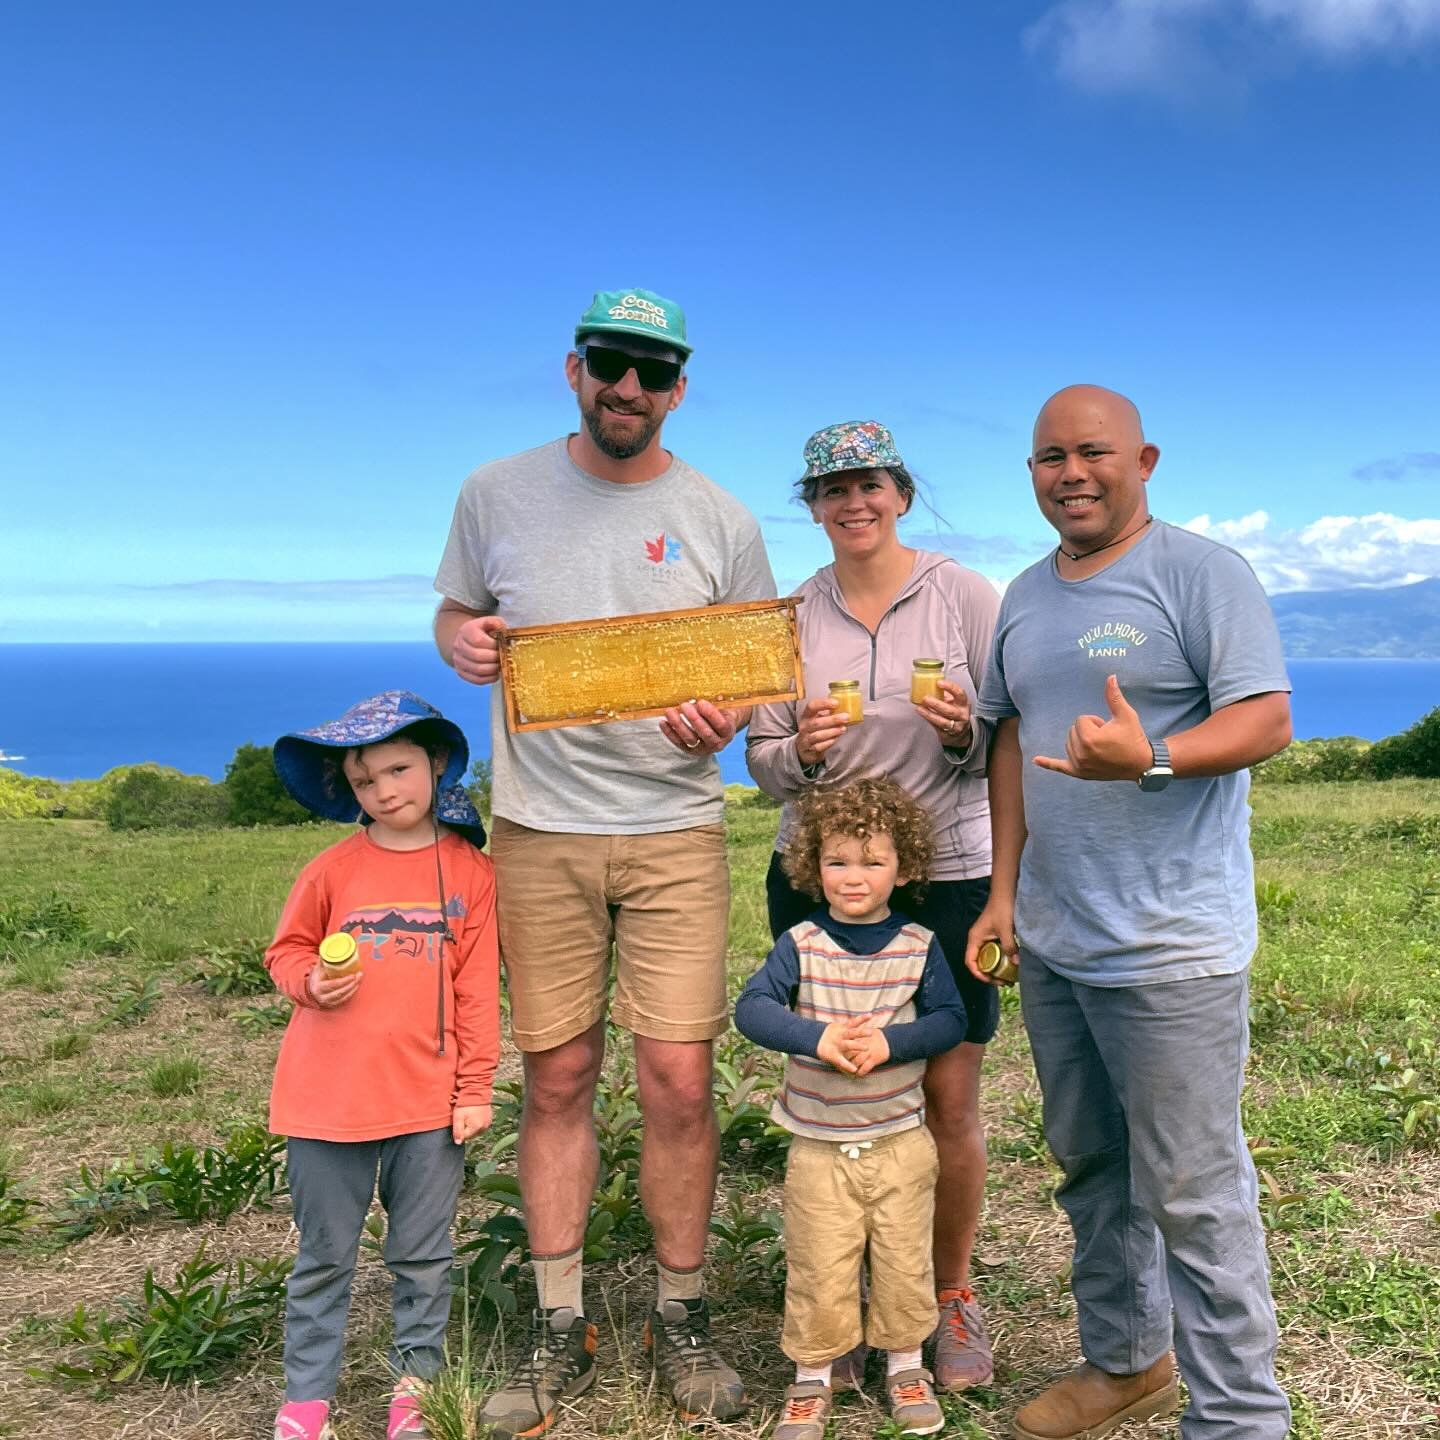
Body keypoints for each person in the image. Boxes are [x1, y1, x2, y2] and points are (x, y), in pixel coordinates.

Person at [432, 288, 775, 1434]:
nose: (629, 386)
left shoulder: (720, 517)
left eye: (653, 370)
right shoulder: (495, 492)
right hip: (539, 827)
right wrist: (465, 641)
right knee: (558, 1075)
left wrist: (720, 717)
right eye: (610, 363)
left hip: (676, 828)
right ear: (574, 368)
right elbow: (456, 616)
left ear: (679, 388)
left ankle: (680, 1316)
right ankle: (557, 1316)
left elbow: (747, 662)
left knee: (679, 1079)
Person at [967, 385, 1293, 1440]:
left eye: (1093, 453)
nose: (1073, 473)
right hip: (1058, 940)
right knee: (1093, 1168)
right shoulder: (1020, 595)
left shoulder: (1201, 573)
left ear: (1143, 459)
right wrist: (1004, 895)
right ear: (1030, 475)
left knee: (1194, 1191)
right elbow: (1009, 743)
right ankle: (1127, 1362)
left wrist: (1151, 753)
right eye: (1051, 457)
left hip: (1172, 948)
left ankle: (1241, 1418)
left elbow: (1268, 717)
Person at [746, 419, 1001, 1390]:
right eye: (831, 490)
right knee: (845, 1088)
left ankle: (947, 1298)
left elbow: (1004, 739)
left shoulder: (965, 594)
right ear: (810, 507)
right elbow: (764, 765)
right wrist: (802, 749)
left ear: (901, 492)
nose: (853, 503)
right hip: (821, 876)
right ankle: (845, 1303)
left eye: (870, 485)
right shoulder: (787, 616)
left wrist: (964, 731)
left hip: (949, 872)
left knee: (945, 1094)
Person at [264, 690, 499, 1440]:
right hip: (324, 1102)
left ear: (435, 764)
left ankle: (415, 1392)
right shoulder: (332, 869)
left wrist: (475, 1088)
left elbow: (475, 989)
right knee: (324, 1258)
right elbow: (286, 951)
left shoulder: (470, 872)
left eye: (398, 769)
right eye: (365, 782)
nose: (384, 791)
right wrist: (311, 982)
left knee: (423, 1258)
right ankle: (306, 1403)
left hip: (429, 1104)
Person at [735, 777, 967, 1440]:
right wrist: (821, 1038)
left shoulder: (919, 946)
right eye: (838, 861)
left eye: (873, 861)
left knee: (902, 1256)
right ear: (814, 867)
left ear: (904, 866)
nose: (854, 877)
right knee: (819, 1259)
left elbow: (950, 1020)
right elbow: (751, 1010)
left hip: (900, 1139)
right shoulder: (801, 945)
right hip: (818, 1142)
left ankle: (904, 1366)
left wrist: (892, 1043)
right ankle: (813, 1377)